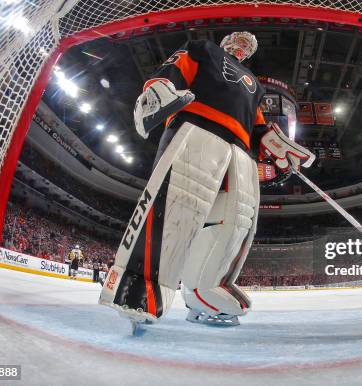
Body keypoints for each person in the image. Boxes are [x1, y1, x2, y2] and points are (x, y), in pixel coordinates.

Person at [99, 32, 314, 326]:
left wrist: (276, 145)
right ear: (226, 41)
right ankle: (139, 283)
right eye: (238, 39)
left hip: (240, 151)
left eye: (249, 44)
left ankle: (206, 289)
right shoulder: (203, 49)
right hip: (196, 127)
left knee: (238, 220)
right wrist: (158, 88)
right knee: (177, 205)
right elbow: (175, 69)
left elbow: (258, 124)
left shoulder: (255, 86)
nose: (243, 44)